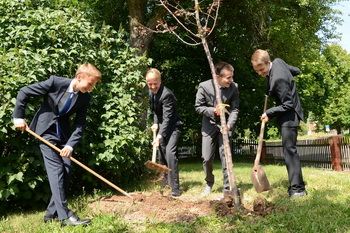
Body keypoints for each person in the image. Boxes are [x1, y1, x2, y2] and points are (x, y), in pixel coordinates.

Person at [12, 63, 102, 226]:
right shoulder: (55, 83)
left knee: (66, 169)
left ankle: (50, 214)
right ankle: (65, 216)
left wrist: (70, 145)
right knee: (56, 170)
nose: (91, 88)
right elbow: (24, 91)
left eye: (93, 85)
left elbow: (80, 125)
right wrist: (18, 118)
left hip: (64, 136)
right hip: (45, 131)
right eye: (90, 84)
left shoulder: (84, 97)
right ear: (80, 77)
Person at [251, 49, 307, 199]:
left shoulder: (278, 79)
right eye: (257, 71)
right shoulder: (278, 62)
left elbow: (287, 104)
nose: (260, 73)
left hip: (289, 116)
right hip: (287, 113)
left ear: (268, 63)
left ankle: (298, 189)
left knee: (290, 151)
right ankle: (297, 185)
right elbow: (296, 70)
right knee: (289, 150)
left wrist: (269, 112)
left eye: (262, 70)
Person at [195, 62, 239, 196]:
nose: (231, 80)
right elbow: (198, 107)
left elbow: (235, 109)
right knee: (207, 157)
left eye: (232, 77)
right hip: (209, 125)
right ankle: (209, 183)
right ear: (218, 77)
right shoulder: (204, 86)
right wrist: (213, 110)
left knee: (226, 157)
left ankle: (226, 188)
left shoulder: (234, 88)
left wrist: (229, 125)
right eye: (228, 78)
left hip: (225, 126)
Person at [146, 68, 183, 197]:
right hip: (162, 126)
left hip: (173, 127)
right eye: (149, 84)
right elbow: (157, 112)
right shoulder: (152, 93)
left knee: (170, 154)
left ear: (160, 81)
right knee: (162, 155)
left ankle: (175, 188)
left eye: (155, 83)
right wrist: (155, 123)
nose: (152, 86)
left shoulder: (167, 95)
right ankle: (165, 182)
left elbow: (167, 118)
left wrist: (160, 136)